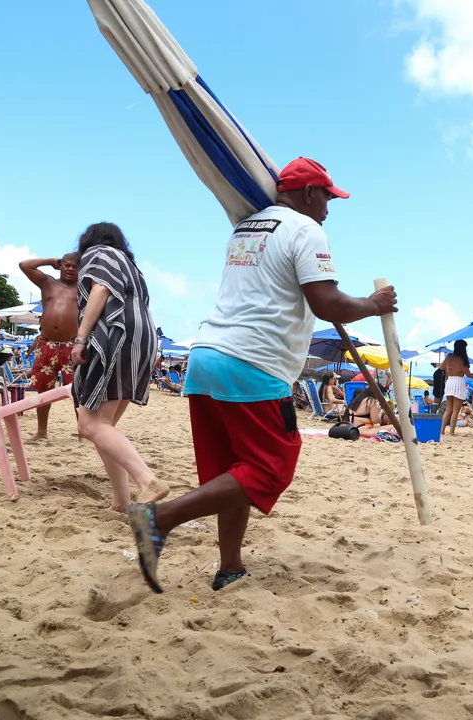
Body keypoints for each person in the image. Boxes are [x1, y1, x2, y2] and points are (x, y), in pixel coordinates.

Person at [125, 157, 397, 594]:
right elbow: (327, 303)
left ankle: (230, 566)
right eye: (327, 198)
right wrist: (373, 304)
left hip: (207, 356)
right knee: (270, 470)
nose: (328, 209)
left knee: (234, 474)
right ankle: (161, 518)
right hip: (253, 364)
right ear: (308, 193)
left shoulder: (246, 228)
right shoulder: (306, 230)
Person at [70, 223, 169, 511]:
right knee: (104, 426)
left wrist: (80, 338)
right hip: (141, 341)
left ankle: (147, 480)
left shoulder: (98, 253)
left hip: (115, 336)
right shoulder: (131, 266)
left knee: (90, 424)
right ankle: (121, 501)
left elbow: (100, 290)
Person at [20, 253, 81, 439]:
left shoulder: (83, 288)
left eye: (75, 266)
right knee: (44, 389)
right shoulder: (48, 283)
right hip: (47, 343)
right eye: (67, 265)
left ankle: (83, 431)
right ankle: (41, 431)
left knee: (78, 389)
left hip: (73, 344)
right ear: (60, 266)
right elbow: (24, 265)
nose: (70, 269)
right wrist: (50, 261)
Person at [440, 339, 473, 436]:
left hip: (450, 381)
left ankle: (442, 431)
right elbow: (468, 374)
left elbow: (441, 367)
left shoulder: (449, 356)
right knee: (456, 410)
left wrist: (449, 367)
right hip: (458, 381)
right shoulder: (462, 359)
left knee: (448, 410)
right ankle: (451, 432)